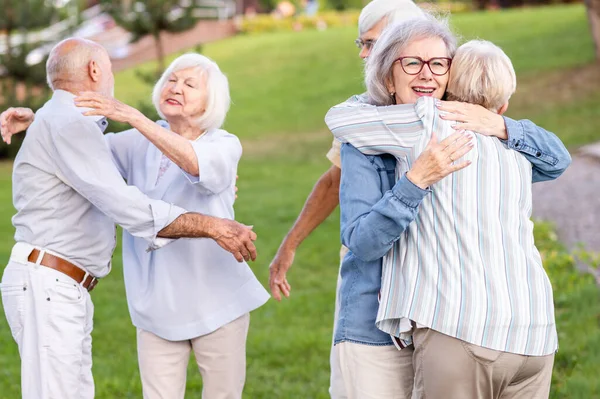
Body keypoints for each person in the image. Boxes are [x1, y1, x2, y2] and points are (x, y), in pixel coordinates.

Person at [325, 19, 570, 398]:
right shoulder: (514, 154)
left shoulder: (430, 121)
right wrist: (418, 179)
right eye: (412, 63)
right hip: (531, 331)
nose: (427, 74)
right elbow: (558, 159)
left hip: (460, 326)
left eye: (439, 64)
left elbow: (338, 118)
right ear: (387, 77)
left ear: (452, 77)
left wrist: (502, 124)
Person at [0, 39, 257, 399]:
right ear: (94, 70)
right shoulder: (134, 143)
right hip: (154, 306)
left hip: (215, 298)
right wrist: (42, 120)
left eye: (189, 84)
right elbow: (76, 151)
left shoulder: (224, 143)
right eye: (171, 79)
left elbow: (200, 165)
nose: (175, 88)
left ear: (211, 100)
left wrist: (122, 117)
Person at [267, 0, 425, 397]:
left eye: (372, 42)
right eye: (361, 41)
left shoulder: (457, 110)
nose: (361, 52)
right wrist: (289, 245)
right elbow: (332, 182)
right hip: (368, 297)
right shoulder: (359, 114)